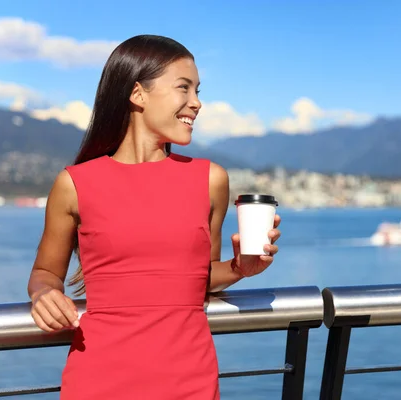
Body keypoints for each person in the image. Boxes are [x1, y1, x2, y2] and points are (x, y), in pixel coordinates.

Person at [26, 34, 282, 399]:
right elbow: (45, 273)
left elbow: (199, 277)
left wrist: (243, 267)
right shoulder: (74, 184)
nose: (197, 103)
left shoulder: (211, 180)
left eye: (198, 91)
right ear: (138, 94)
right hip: (98, 381)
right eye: (184, 88)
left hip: (189, 382)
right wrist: (44, 294)